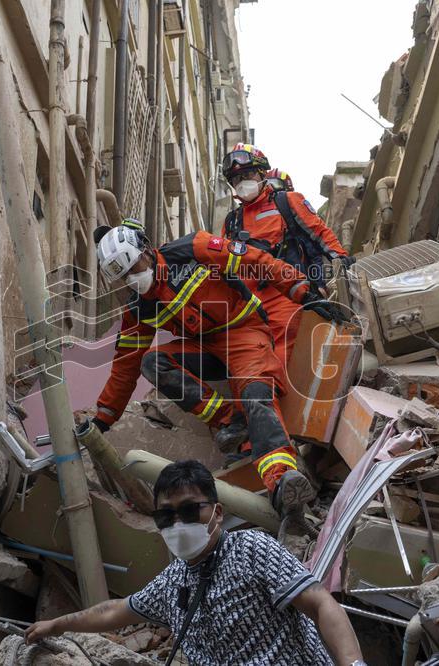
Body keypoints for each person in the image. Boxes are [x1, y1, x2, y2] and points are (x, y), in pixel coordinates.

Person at [88, 223, 345, 518]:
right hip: (206, 347)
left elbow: (256, 261)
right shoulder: (138, 309)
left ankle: (281, 478)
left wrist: (302, 291)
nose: (134, 279)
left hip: (244, 329)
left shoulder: (192, 250)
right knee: (152, 363)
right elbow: (125, 364)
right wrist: (103, 418)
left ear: (147, 249)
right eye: (125, 277)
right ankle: (230, 419)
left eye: (136, 267)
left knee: (255, 392)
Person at [24, 460, 367, 666]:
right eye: (165, 515)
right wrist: (58, 625)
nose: (177, 523)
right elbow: (115, 611)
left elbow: (321, 604)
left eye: (189, 510)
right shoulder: (172, 583)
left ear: (216, 512)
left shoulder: (252, 549)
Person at [221, 144, 349, 369]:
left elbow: (318, 233)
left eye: (247, 174)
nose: (242, 182)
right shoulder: (231, 221)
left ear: (262, 173)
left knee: (280, 360)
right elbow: (224, 263)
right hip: (249, 306)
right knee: (250, 364)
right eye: (236, 179)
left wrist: (340, 259)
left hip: (288, 296)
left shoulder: (287, 202)